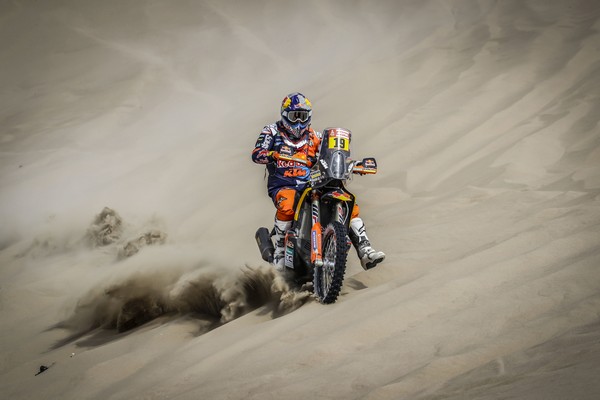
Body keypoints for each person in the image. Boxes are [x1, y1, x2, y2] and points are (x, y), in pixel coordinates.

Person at [252, 92, 385, 271]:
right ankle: (281, 252)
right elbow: (257, 154)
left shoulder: (316, 137)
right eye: (294, 116)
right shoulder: (272, 131)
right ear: (284, 115)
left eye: (302, 116)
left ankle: (365, 250)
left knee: (350, 206)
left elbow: (332, 156)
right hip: (284, 183)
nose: (298, 121)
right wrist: (273, 154)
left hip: (313, 183)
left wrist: (352, 164)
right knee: (288, 205)